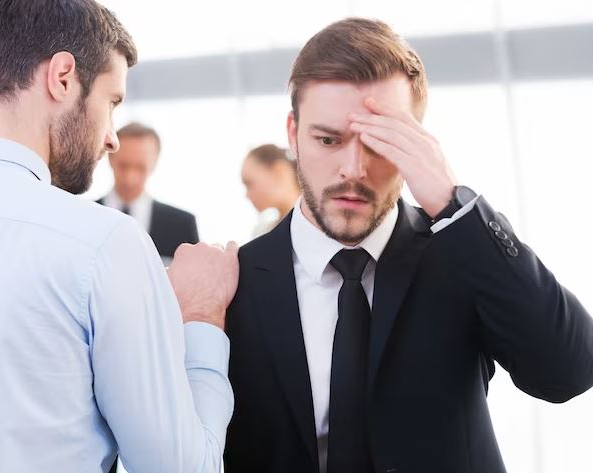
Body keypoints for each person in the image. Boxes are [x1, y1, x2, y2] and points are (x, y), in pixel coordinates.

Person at [224, 17, 593, 473]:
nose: (353, 169)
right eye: (328, 139)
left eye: (380, 141)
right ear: (292, 134)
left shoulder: (463, 252)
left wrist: (451, 200)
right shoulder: (233, 282)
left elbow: (567, 373)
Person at [0, 1, 237, 473]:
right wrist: (201, 317)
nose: (112, 138)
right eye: (112, 102)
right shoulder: (102, 242)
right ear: (63, 78)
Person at [97, 122, 199, 262]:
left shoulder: (182, 225)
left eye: (140, 168)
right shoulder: (84, 218)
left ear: (154, 163)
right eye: (123, 166)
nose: (130, 179)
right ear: (110, 159)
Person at [241, 144, 300, 237]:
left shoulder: (319, 225)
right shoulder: (262, 232)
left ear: (279, 171)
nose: (247, 195)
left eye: (249, 183)